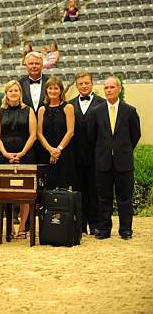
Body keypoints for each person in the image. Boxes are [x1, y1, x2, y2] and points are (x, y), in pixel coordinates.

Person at [88, 76, 141, 240]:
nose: (109, 90)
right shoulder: (96, 111)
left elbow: (135, 135)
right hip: (102, 162)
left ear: (119, 89)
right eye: (106, 87)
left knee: (125, 198)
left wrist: (122, 150)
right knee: (104, 198)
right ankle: (104, 229)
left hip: (123, 162)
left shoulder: (130, 111)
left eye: (112, 87)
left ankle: (126, 230)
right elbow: (92, 136)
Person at [0, 80, 37, 238]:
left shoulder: (29, 111)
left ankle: (22, 228)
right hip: (4, 157)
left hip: (25, 156)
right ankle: (10, 227)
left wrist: (22, 153)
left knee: (26, 193)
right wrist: (5, 153)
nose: (13, 93)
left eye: (16, 90)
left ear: (20, 93)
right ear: (6, 93)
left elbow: (33, 134)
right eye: (10, 90)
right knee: (5, 193)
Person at [69, 71, 105, 235]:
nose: (84, 86)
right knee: (78, 190)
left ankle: (95, 224)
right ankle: (80, 224)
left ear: (92, 84)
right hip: (75, 157)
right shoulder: (69, 105)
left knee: (95, 191)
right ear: (76, 85)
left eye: (86, 83)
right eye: (81, 83)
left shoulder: (102, 104)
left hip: (96, 156)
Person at [37, 76, 75, 190]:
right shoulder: (42, 109)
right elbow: (39, 133)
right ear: (46, 90)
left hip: (64, 153)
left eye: (56, 88)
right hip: (46, 153)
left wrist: (58, 150)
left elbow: (70, 131)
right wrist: (50, 150)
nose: (53, 91)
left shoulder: (68, 107)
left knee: (64, 186)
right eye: (50, 88)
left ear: (61, 90)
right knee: (48, 186)